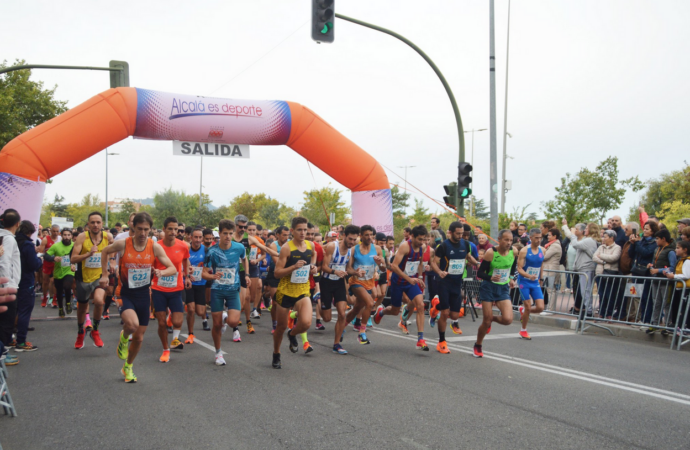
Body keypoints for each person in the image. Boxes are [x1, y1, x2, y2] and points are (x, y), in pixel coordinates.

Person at [99, 212, 177, 382]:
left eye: (146, 230)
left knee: (140, 337)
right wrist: (105, 274)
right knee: (132, 325)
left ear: (151, 230)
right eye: (139, 229)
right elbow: (105, 251)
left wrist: (160, 272)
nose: (142, 233)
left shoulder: (154, 246)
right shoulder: (123, 244)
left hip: (143, 294)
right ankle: (124, 336)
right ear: (133, 228)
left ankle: (128, 367)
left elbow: (173, 268)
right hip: (125, 292)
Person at [374, 225, 429, 351]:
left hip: (412, 281)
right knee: (394, 310)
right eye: (419, 239)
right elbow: (394, 266)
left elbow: (419, 263)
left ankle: (420, 339)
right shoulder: (405, 246)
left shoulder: (422, 247)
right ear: (412, 236)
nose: (422, 242)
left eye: (424, 240)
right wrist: (409, 278)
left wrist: (419, 276)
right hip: (398, 281)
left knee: (420, 305)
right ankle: (381, 311)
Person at [272, 217, 317, 369]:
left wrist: (314, 268)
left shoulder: (310, 245)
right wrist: (293, 267)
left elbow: (313, 258)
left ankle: (292, 335)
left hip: (303, 289)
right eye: (300, 230)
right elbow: (277, 273)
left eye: (305, 230)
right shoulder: (287, 248)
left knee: (306, 323)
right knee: (281, 326)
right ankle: (276, 353)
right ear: (292, 231)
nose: (303, 233)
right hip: (285, 291)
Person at [201, 219, 248, 366]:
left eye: (230, 233)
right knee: (216, 325)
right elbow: (203, 273)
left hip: (233, 290)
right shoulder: (212, 251)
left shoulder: (239, 247)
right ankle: (218, 353)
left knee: (234, 321)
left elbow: (244, 259)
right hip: (217, 290)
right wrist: (212, 276)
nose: (228, 236)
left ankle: (226, 317)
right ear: (219, 234)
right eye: (225, 233)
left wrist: (246, 275)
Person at [430, 221, 479, 353]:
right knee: (445, 313)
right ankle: (441, 342)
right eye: (458, 233)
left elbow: (468, 257)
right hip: (444, 282)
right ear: (450, 232)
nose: (460, 236)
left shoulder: (466, 244)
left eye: (462, 233)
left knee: (455, 314)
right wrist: (440, 272)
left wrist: (477, 264)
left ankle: (436, 307)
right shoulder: (443, 246)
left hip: (457, 282)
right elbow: (434, 262)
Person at [70, 212, 113, 349]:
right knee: (82, 309)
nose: (95, 225)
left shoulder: (108, 237)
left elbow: (114, 248)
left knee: (100, 301)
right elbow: (73, 259)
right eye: (92, 222)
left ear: (102, 224)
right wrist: (89, 254)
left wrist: (111, 260)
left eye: (98, 222)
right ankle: (80, 332)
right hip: (83, 278)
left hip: (99, 276)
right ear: (88, 224)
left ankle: (95, 331)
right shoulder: (82, 237)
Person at [151, 217, 191, 363]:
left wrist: (186, 276)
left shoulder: (183, 246)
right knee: (161, 323)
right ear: (164, 229)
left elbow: (186, 260)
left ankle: (174, 334)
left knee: (178, 321)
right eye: (170, 229)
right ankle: (166, 349)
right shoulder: (156, 246)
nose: (174, 232)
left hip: (176, 289)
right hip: (159, 288)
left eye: (176, 229)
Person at [474, 229, 518, 357]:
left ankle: (491, 319)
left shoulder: (513, 251)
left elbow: (513, 264)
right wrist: (490, 277)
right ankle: (478, 345)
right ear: (499, 240)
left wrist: (511, 278)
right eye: (506, 240)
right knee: (485, 321)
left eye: (511, 240)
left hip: (503, 288)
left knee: (508, 319)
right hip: (488, 287)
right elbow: (480, 273)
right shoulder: (490, 253)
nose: (509, 243)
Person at [320, 225, 359, 354]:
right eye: (350, 239)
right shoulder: (332, 246)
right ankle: (319, 300)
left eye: (354, 240)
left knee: (342, 314)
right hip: (326, 282)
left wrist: (357, 273)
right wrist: (334, 271)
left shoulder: (350, 250)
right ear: (343, 236)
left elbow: (348, 268)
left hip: (339, 283)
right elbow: (323, 267)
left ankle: (337, 344)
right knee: (326, 318)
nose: (352, 242)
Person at [346, 225, 385, 345]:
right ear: (361, 236)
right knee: (369, 303)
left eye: (372, 235)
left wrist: (380, 264)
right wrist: (356, 272)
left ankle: (342, 326)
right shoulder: (354, 249)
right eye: (367, 235)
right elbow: (349, 268)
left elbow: (383, 269)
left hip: (369, 283)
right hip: (356, 282)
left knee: (355, 310)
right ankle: (362, 332)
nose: (370, 237)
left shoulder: (377, 249)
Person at [13, 221, 44, 352]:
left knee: (12, 310)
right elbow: (33, 264)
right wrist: (40, 260)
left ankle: (9, 338)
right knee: (24, 311)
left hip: (12, 279)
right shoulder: (27, 244)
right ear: (30, 232)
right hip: (25, 280)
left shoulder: (12, 241)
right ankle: (21, 341)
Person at [561, 220, 599, 317]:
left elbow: (575, 244)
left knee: (586, 290)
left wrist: (573, 234)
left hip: (586, 268)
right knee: (584, 290)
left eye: (586, 228)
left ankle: (589, 310)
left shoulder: (589, 240)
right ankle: (587, 309)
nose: (585, 230)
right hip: (583, 268)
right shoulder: (587, 240)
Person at [515, 228, 545, 340]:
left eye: (540, 238)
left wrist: (540, 278)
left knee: (540, 307)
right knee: (528, 305)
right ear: (531, 238)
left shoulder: (543, 250)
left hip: (535, 282)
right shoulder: (524, 251)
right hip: (524, 282)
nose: (538, 240)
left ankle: (523, 311)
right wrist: (529, 276)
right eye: (536, 238)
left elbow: (541, 264)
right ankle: (523, 330)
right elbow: (519, 268)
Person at [628, 221, 659, 325]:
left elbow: (646, 253)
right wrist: (632, 244)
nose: (644, 231)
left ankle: (646, 319)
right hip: (636, 271)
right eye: (644, 229)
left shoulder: (654, 242)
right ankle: (638, 317)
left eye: (647, 229)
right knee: (635, 295)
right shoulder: (640, 241)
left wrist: (637, 243)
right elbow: (631, 254)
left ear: (653, 231)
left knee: (646, 297)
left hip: (645, 273)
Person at [646, 229, 676, 333]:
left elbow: (672, 268)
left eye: (657, 239)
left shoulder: (671, 251)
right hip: (656, 281)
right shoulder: (657, 249)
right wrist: (651, 266)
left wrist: (658, 270)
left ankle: (667, 325)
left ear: (664, 239)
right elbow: (657, 261)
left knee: (666, 303)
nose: (656, 241)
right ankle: (654, 323)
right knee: (656, 302)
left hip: (666, 282)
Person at [0, 210, 21, 357]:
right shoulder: (8, 239)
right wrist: (6, 286)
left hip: (6, 286)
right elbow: (4, 262)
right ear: (17, 224)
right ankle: (2, 354)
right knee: (6, 323)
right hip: (7, 287)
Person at [43, 228, 76, 318]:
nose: (66, 237)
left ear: (71, 236)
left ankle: (68, 303)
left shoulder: (75, 245)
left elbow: (80, 257)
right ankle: (61, 308)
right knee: (59, 291)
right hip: (58, 272)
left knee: (67, 285)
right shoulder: (56, 246)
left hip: (70, 270)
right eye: (65, 235)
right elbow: (46, 255)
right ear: (61, 236)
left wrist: (74, 264)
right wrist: (53, 258)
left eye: (68, 235)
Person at [184, 228, 208, 344]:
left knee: (200, 311)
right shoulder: (186, 249)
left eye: (200, 237)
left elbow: (209, 266)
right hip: (189, 283)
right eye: (195, 237)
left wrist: (203, 270)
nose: (198, 240)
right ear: (191, 237)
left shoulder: (206, 250)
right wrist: (188, 273)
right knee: (191, 309)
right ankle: (190, 334)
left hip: (201, 283)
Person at [592, 230, 621, 320]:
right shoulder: (601, 247)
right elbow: (594, 257)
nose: (603, 238)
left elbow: (614, 258)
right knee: (601, 294)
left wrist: (602, 256)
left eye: (605, 237)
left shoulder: (617, 247)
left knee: (610, 294)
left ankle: (609, 313)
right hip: (600, 273)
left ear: (611, 238)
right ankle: (602, 312)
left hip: (610, 273)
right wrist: (604, 261)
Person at [665, 241, 690, 332]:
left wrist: (674, 276)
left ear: (685, 250)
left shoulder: (687, 261)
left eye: (678, 248)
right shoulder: (680, 260)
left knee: (684, 309)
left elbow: (686, 275)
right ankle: (681, 327)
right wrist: (670, 274)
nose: (676, 249)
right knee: (681, 308)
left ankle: (685, 328)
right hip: (680, 287)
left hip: (686, 288)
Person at [37, 224, 60, 307]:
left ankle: (53, 299)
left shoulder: (60, 239)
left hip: (56, 264)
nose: (55, 233)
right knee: (45, 282)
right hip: (47, 263)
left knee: (53, 281)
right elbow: (41, 252)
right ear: (51, 231)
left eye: (57, 231)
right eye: (54, 231)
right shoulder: (46, 239)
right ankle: (44, 298)